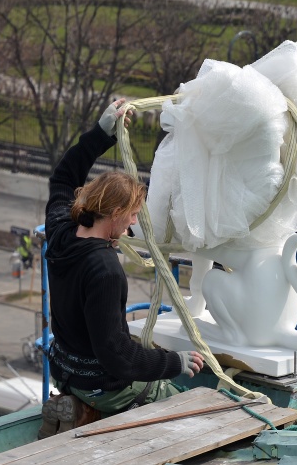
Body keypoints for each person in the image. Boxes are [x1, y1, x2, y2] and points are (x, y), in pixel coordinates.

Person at [38, 98, 204, 439]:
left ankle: (79, 405)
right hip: (98, 383)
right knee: (186, 413)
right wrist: (175, 363)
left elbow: (63, 177)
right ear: (113, 214)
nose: (133, 224)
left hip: (63, 369)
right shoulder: (105, 270)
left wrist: (101, 133)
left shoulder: (60, 230)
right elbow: (114, 354)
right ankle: (93, 408)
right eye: (131, 215)